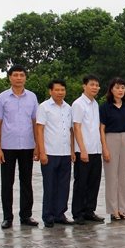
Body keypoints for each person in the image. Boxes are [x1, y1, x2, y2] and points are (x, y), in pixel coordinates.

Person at [0, 64, 40, 229]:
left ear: (25, 77)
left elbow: (35, 122)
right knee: (7, 182)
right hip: (8, 145)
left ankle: (26, 216)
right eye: (15, 75)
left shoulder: (32, 97)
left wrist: (37, 146)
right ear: (10, 78)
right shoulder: (2, 98)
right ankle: (7, 217)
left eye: (22, 75)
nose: (19, 78)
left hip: (27, 145)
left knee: (26, 182)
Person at [36, 79, 75, 228]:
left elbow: (71, 131)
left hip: (65, 152)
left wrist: (72, 151)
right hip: (50, 152)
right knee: (50, 185)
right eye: (57, 90)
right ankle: (48, 215)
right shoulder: (44, 108)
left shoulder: (68, 108)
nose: (60, 92)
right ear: (50, 91)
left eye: (62, 90)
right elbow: (39, 130)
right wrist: (42, 152)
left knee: (64, 185)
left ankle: (60, 214)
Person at [71, 75, 105, 225]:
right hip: (83, 151)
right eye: (92, 84)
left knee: (93, 182)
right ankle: (77, 212)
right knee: (81, 182)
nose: (95, 87)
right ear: (84, 86)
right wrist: (82, 150)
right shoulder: (78, 104)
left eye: (97, 85)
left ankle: (89, 210)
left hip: (96, 149)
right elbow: (76, 128)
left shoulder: (95, 104)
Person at [100, 77, 125, 221]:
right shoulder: (105, 107)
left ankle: (122, 209)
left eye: (123, 87)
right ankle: (112, 209)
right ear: (111, 90)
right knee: (111, 177)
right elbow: (101, 129)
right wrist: (105, 148)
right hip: (111, 139)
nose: (120, 90)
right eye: (117, 87)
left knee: (123, 177)